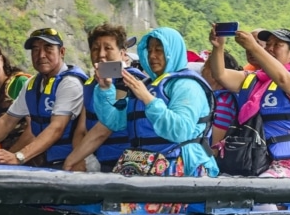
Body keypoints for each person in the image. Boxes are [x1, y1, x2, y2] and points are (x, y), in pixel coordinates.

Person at [94, 26, 219, 178]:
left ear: (171, 52)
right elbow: (115, 121)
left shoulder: (187, 85)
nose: (152, 55)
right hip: (144, 165)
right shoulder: (146, 85)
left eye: (159, 50)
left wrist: (147, 98)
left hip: (182, 166)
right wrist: (105, 88)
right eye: (149, 50)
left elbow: (180, 130)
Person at [209, 27, 290, 178]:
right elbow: (220, 75)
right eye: (268, 44)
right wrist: (218, 47)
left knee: (263, 186)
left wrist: (253, 47)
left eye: (278, 45)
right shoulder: (253, 78)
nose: (270, 48)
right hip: (249, 158)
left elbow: (282, 78)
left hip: (286, 162)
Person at [0, 27, 86, 167]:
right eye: (35, 50)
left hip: (72, 164)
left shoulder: (70, 83)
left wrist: (18, 157)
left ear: (62, 52)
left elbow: (57, 128)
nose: (41, 55)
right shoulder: (32, 84)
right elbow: (7, 121)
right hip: (46, 163)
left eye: (48, 48)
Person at [63, 24, 146, 172]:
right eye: (95, 49)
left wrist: (72, 159)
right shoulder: (91, 84)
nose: (101, 54)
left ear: (122, 53)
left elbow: (105, 128)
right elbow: (81, 130)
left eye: (108, 48)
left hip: (126, 164)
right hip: (98, 162)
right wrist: (82, 159)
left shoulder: (128, 80)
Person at [200, 49, 242, 146]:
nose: (202, 71)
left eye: (205, 66)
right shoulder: (215, 97)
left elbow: (215, 145)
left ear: (214, 73)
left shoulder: (224, 102)